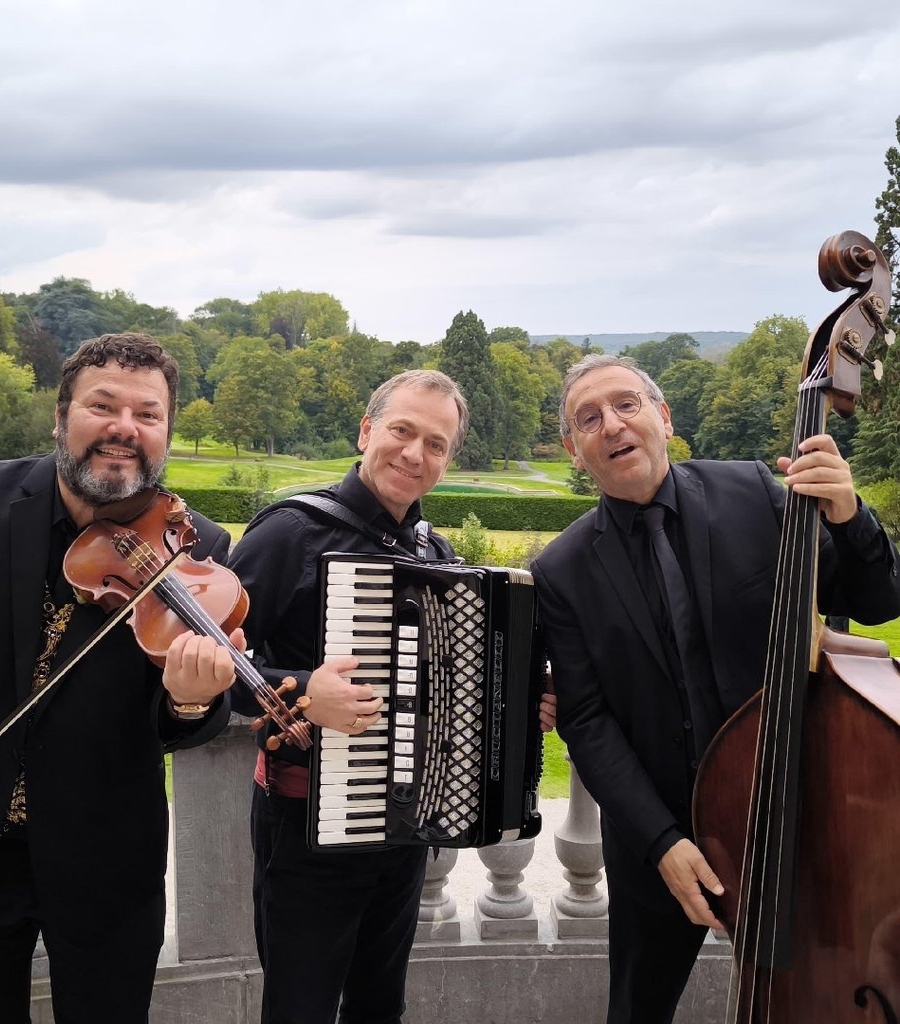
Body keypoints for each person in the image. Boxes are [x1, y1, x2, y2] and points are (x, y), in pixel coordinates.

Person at [0, 333, 243, 1023]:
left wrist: (193, 704)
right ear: (61, 415)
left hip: (106, 864)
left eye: (148, 414)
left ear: (165, 432)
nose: (124, 429)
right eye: (103, 406)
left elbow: (196, 712)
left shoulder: (199, 552)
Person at [530, 354, 900, 1024]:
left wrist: (849, 514)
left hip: (797, 814)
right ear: (575, 451)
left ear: (664, 418)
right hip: (663, 839)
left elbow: (877, 600)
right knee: (638, 1011)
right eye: (589, 418)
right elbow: (585, 720)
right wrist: (662, 842)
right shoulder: (560, 570)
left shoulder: (755, 492)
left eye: (628, 404)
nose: (612, 424)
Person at [228, 369, 470, 1024]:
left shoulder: (438, 556)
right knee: (299, 1010)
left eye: (436, 443)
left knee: (377, 1007)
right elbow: (218, 663)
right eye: (401, 430)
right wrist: (307, 692)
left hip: (403, 835)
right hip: (305, 831)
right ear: (367, 431)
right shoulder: (289, 533)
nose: (414, 454)